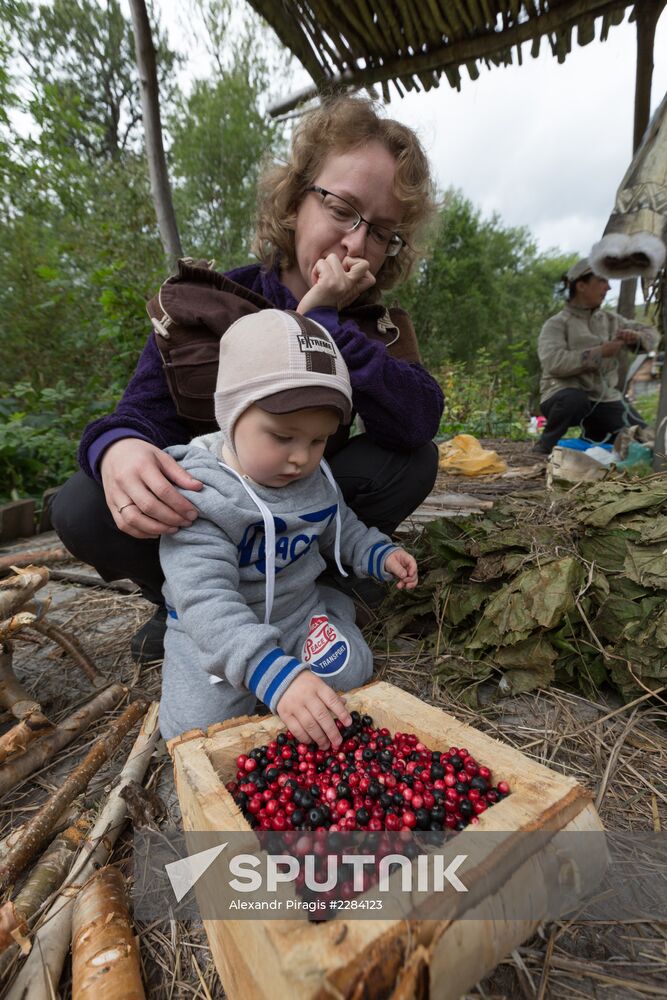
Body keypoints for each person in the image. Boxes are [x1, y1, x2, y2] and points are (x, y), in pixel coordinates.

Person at [51, 96, 443, 662]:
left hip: (307, 504)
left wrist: (328, 325)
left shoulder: (376, 325)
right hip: (209, 515)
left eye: (381, 232)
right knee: (83, 505)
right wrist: (118, 449)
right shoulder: (211, 301)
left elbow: (417, 421)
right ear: (296, 200)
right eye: (342, 210)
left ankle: (320, 582)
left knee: (413, 459)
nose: (356, 244)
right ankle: (188, 603)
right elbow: (138, 411)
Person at [158, 310, 418, 744]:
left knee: (353, 673)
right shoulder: (201, 494)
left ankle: (332, 608)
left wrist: (379, 553)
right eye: (282, 437)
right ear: (232, 415)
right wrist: (273, 675)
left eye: (318, 441)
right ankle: (259, 670)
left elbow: (341, 526)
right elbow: (204, 601)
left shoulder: (312, 479)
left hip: (297, 612)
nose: (301, 458)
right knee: (196, 733)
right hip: (214, 630)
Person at [534, 258, 659, 455]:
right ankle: (546, 444)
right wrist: (599, 352)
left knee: (642, 436)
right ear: (581, 285)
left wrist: (636, 338)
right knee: (574, 400)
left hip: (603, 399)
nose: (608, 287)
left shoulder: (611, 320)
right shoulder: (557, 324)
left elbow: (652, 335)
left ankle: (592, 436)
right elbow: (553, 362)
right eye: (602, 281)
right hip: (562, 394)